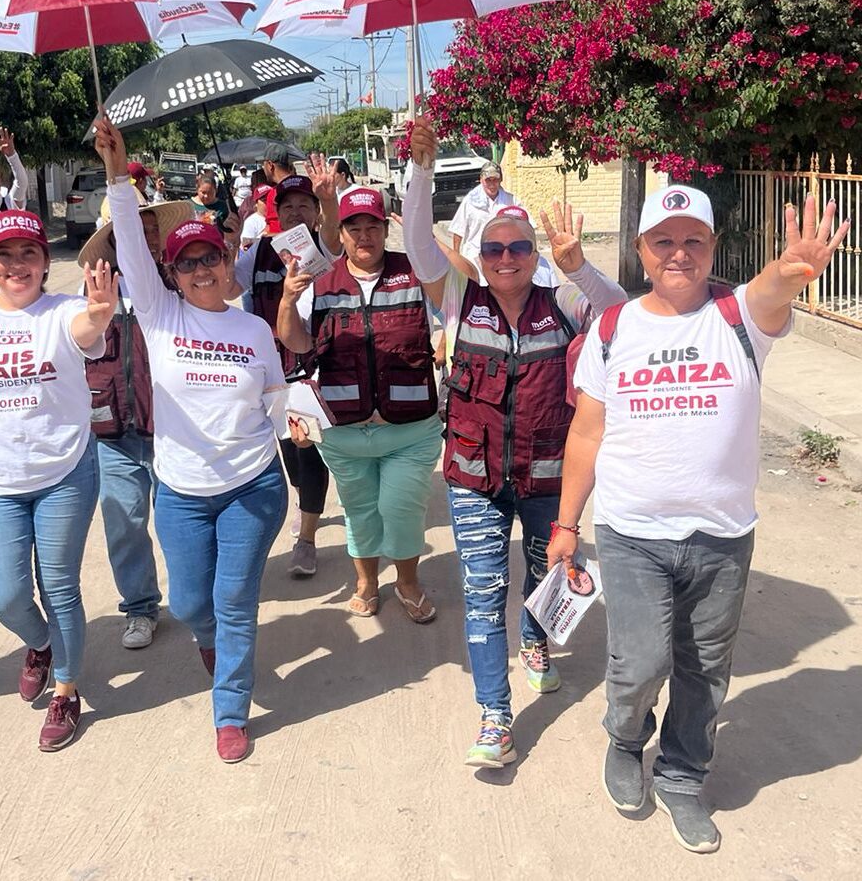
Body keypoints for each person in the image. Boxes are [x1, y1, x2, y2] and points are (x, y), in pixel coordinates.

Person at [550, 185, 849, 854]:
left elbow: (773, 289)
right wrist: (567, 523)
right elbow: (587, 433)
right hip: (632, 534)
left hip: (721, 535)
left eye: (693, 239)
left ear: (713, 248)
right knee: (640, 662)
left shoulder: (739, 314)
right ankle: (626, 740)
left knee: (704, 667)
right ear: (641, 249)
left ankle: (683, 774)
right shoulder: (614, 326)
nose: (678, 251)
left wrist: (790, 266)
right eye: (664, 239)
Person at [401, 119, 625, 768]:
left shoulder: (563, 304)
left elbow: (618, 314)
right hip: (473, 476)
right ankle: (495, 716)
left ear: (535, 252)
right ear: (478, 252)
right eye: (494, 248)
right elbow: (418, 246)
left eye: (518, 247)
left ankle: (536, 638)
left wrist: (579, 268)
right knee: (481, 589)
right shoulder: (456, 298)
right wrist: (420, 170)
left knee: (543, 573)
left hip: (546, 479)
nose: (505, 258)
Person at [95, 113, 289, 764]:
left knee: (234, 600)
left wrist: (296, 423)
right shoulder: (157, 313)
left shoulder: (255, 333)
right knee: (188, 601)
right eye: (188, 262)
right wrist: (117, 176)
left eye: (210, 256)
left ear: (225, 257)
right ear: (171, 273)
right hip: (180, 492)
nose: (201, 268)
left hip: (251, 489)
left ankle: (229, 708)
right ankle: (210, 639)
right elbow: (128, 245)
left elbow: (276, 401)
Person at [0, 209, 117, 753]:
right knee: (5, 595)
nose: (18, 265)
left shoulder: (65, 311)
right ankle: (39, 644)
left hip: (64, 471)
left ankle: (66, 689)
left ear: (43, 260)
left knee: (58, 586)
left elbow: (85, 332)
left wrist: (101, 315)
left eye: (29, 254)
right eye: (5, 255)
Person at [278, 184, 440, 625]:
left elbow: (453, 311)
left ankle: (407, 581)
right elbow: (295, 341)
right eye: (354, 228)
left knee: (400, 507)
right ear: (341, 233)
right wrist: (289, 299)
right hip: (344, 430)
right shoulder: (320, 281)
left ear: (386, 230)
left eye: (373, 226)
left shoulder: (417, 274)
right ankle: (367, 581)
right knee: (360, 509)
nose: (364, 236)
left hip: (410, 427)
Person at [77, 198, 194, 650]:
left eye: (150, 229)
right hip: (112, 435)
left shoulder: (177, 285)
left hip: (169, 429)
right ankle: (140, 607)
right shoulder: (89, 293)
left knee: (179, 523)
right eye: (131, 229)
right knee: (123, 523)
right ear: (111, 238)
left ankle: (195, 599)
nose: (144, 238)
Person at [234, 161, 341, 577]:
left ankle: (307, 539)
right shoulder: (260, 250)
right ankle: (304, 503)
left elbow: (333, 231)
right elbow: (229, 287)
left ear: (314, 212)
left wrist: (329, 202)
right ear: (276, 209)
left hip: (311, 369)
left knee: (306, 447)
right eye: (288, 204)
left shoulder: (326, 247)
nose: (297, 212)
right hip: (267, 372)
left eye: (304, 204)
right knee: (289, 456)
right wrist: (230, 242)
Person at [259, 147, 297, 234]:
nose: (263, 169)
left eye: (263, 165)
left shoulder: (274, 193)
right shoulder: (301, 187)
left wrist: (268, 237)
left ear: (270, 165)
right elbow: (271, 225)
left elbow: (293, 232)